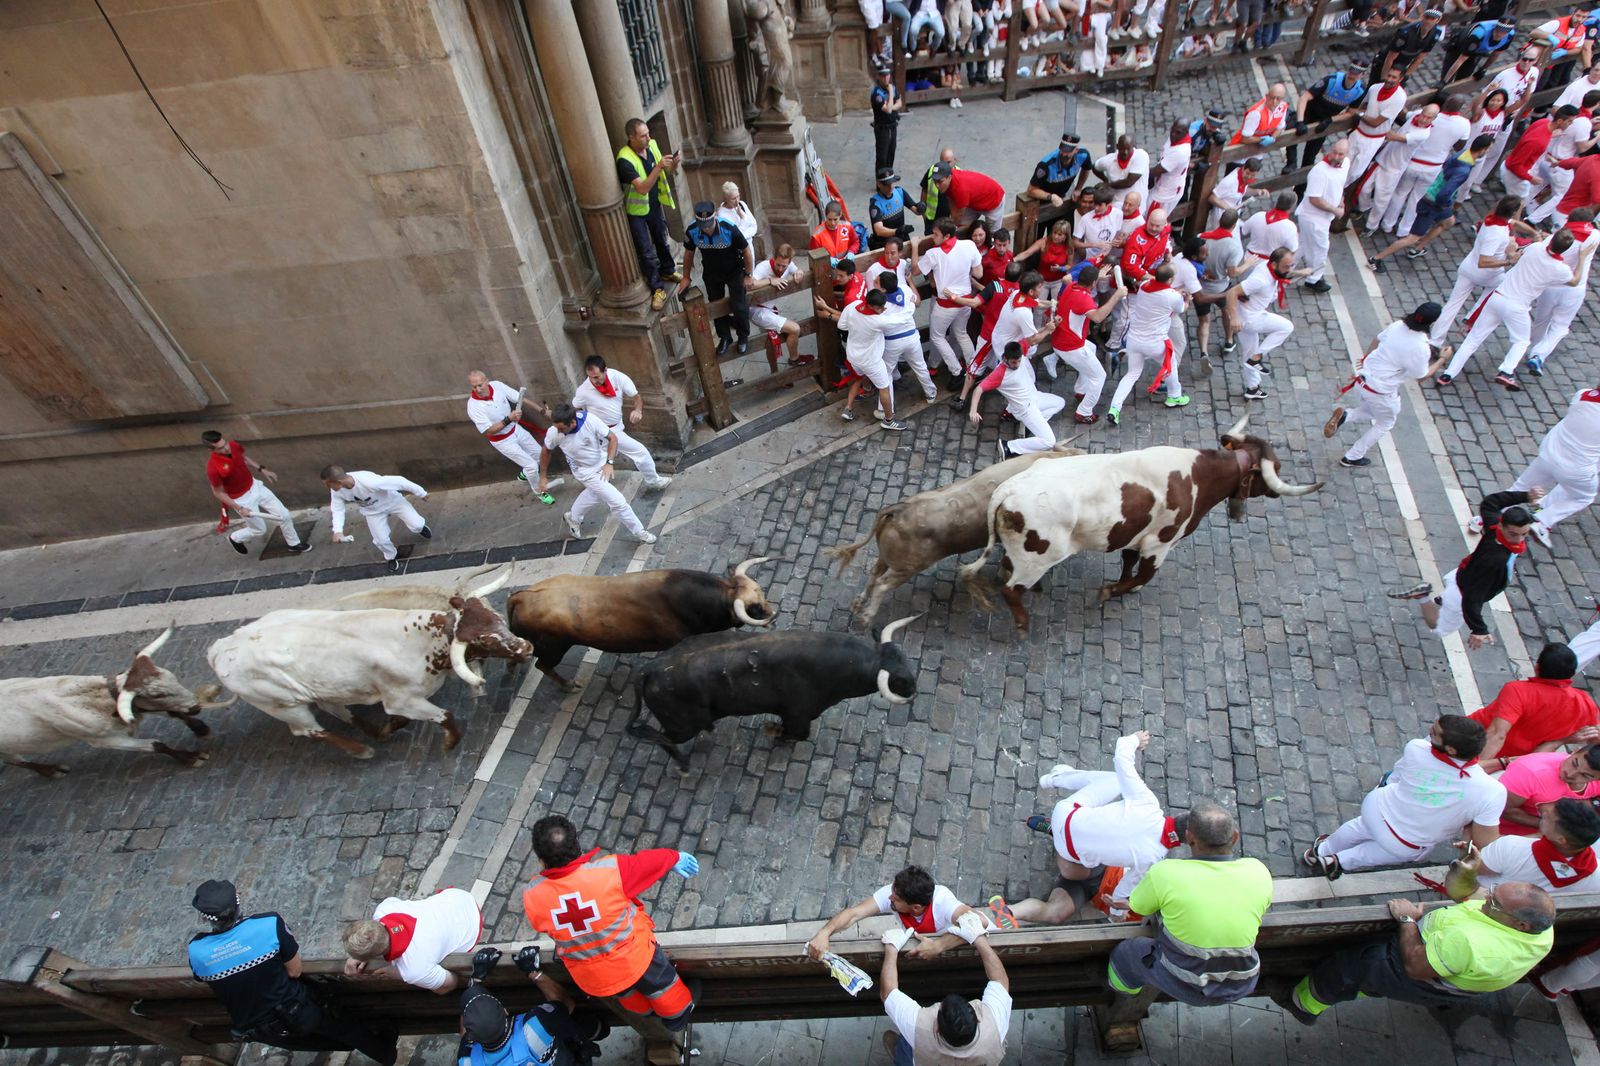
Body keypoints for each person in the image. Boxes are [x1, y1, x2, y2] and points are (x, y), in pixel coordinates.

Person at [188, 879, 397, 1065]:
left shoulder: (197, 950)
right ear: (237, 903)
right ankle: (385, 1054)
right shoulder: (268, 924)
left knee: (318, 1040)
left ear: (206, 918)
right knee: (345, 1028)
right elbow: (295, 971)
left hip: (260, 1030)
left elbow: (204, 976)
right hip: (298, 1011)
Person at [522, 815, 701, 1029]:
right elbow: (646, 863)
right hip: (635, 959)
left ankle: (645, 1011)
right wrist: (674, 857)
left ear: (541, 859)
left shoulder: (532, 895)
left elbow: (542, 924)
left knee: (625, 993)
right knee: (664, 988)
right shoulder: (609, 872)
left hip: (593, 976)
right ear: (577, 846)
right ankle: (678, 1015)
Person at [1285, 884, 1555, 1023]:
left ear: (1521, 924)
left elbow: (1415, 966)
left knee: (1352, 966)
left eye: (1494, 902)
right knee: (1367, 979)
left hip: (1418, 971)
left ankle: (1303, 1004)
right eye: (1494, 891)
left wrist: (1406, 920)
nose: (1486, 898)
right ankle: (1361, 988)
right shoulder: (1542, 932)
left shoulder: (1471, 944)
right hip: (1450, 975)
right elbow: (1467, 893)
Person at [1107, 799, 1271, 1007]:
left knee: (1125, 954)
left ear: (1189, 838)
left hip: (1189, 986)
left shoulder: (1165, 873)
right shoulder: (1258, 872)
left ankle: (1123, 990)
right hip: (1243, 982)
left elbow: (1139, 907)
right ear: (1235, 837)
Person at [1013, 730, 1185, 924]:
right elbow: (1122, 891)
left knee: (1056, 912)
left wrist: (1134, 740)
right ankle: (1057, 817)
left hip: (1086, 870)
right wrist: (1117, 911)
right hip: (1090, 861)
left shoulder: (1149, 809)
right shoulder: (1154, 861)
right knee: (1072, 868)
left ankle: (1007, 912)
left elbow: (1122, 759)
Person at [1304, 715, 1505, 879]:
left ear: (1452, 749)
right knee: (1371, 854)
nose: (1429, 730)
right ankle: (1337, 861)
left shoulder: (1416, 748)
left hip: (1377, 808)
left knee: (1358, 827)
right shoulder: (1491, 791)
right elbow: (1485, 841)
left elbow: (1397, 775)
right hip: (1406, 841)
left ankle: (1321, 850)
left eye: (1434, 732)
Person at [1389, 490, 1541, 647]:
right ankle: (1423, 597)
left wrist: (1524, 496)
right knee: (1438, 626)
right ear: (1502, 525)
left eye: (1524, 534)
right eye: (1514, 534)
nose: (1519, 539)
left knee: (1450, 595)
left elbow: (1491, 502)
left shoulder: (1494, 527)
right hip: (1461, 593)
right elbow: (1472, 598)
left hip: (1464, 574)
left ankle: (1443, 599)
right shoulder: (1495, 562)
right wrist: (1479, 629)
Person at [1435, 230, 1580, 389]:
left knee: (1473, 339)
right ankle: (1506, 371)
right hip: (1518, 306)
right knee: (1522, 341)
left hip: (1498, 297)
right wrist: (1584, 258)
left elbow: (1520, 251)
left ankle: (1448, 374)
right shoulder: (1561, 269)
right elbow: (1574, 282)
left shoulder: (1535, 248)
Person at [1323, 302, 1449, 469]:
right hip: (1381, 391)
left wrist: (1366, 359)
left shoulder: (1398, 325)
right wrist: (1442, 359)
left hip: (1362, 381)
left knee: (1373, 411)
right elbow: (1421, 375)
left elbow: (1377, 340)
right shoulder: (1421, 347)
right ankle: (1352, 456)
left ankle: (1346, 416)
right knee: (1385, 423)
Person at [455, 945, 610, 1066]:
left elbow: (465, 1039)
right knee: (576, 1022)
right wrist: (533, 972)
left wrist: (474, 982)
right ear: (504, 1010)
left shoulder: (466, 1061)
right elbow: (565, 1004)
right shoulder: (534, 1027)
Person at [878, 927, 1011, 1065]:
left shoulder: (919, 1028)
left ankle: (901, 1055)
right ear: (977, 1021)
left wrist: (891, 948)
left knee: (908, 1044)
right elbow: (1000, 980)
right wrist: (980, 940)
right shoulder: (994, 1024)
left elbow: (888, 993)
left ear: (936, 1028)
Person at [1364, 133, 1494, 273]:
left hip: (1437, 201)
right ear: (1482, 150)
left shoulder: (1463, 153)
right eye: (1488, 149)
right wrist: (1443, 204)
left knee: (1448, 222)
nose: (1488, 152)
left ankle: (1418, 248)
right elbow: (1445, 192)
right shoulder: (1463, 170)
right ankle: (1376, 259)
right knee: (1412, 237)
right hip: (1433, 203)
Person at [807, 865, 987, 961]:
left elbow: (979, 921)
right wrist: (825, 932)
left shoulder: (943, 902)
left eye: (897, 898)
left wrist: (938, 946)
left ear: (916, 907)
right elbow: (854, 913)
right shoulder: (894, 894)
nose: (890, 898)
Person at [539, 403, 658, 544]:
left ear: (572, 422)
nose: (558, 432)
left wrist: (609, 463)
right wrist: (543, 477)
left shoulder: (590, 420)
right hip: (584, 471)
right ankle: (640, 532)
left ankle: (573, 517)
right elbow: (546, 451)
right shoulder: (554, 432)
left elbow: (613, 438)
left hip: (601, 462)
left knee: (595, 493)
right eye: (556, 428)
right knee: (618, 501)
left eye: (561, 428)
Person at [1472, 644, 1600, 771]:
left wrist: (1475, 769)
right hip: (1515, 762)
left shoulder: (1517, 690)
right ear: (1572, 674)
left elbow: (1497, 734)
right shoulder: (1585, 703)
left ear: (1537, 667)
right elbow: (1596, 740)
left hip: (1473, 740)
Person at [1425, 195, 1528, 346]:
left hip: (1468, 267)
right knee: (1501, 289)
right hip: (1486, 273)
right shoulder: (1497, 233)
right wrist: (1509, 261)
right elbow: (1484, 261)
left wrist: (1532, 233)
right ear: (1512, 213)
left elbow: (1515, 223)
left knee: (1452, 305)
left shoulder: (1492, 219)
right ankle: (1471, 318)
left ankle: (1435, 341)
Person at [342, 887, 482, 993]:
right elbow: (376, 931)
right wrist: (364, 949)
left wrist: (401, 974)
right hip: (458, 897)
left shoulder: (414, 970)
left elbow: (450, 984)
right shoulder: (385, 909)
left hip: (471, 930)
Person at [1509, 380, 1600, 540]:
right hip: (1576, 470)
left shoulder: (1583, 395)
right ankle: (1543, 520)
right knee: (1583, 496)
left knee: (1520, 487)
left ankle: (1482, 520)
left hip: (1549, 455)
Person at [203, 431, 311, 558]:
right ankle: (235, 537)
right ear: (211, 449)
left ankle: (294, 544)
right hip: (242, 500)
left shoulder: (233, 445)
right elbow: (218, 492)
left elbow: (243, 458)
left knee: (284, 515)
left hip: (255, 486)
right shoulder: (213, 468)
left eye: (225, 443)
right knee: (259, 530)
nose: (226, 448)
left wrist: (262, 469)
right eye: (221, 448)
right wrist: (239, 507)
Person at [571, 356, 672, 491]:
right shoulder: (583, 390)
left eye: (596, 377)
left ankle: (652, 481)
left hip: (616, 428)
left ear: (605, 370)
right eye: (590, 377)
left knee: (639, 452)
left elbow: (636, 397)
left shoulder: (618, 378)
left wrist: (638, 410)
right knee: (595, 465)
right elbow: (576, 410)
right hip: (599, 433)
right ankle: (594, 488)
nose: (593, 381)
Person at [1041, 265, 1126, 423]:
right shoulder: (1084, 299)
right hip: (1071, 346)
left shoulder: (1071, 287)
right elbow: (1098, 317)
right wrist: (1116, 296)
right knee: (1099, 376)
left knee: (1092, 348)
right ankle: (1084, 411)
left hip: (1061, 340)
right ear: (1093, 283)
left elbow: (1068, 279)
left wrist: (1097, 276)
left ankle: (1081, 390)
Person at [1106, 262, 1188, 427]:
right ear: (1170, 279)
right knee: (1169, 364)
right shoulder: (1173, 296)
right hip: (1155, 342)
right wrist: (1187, 299)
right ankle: (1174, 395)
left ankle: (1114, 408)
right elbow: (1180, 309)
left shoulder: (1144, 286)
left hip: (1134, 340)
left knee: (1132, 374)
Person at [814, 288, 907, 430]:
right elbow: (901, 320)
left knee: (857, 378)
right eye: (879, 307)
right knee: (884, 388)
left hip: (853, 356)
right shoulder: (879, 321)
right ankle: (888, 420)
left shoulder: (853, 306)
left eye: (883, 305)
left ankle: (852, 404)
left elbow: (842, 325)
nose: (883, 309)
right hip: (871, 361)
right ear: (870, 305)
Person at [1382, 94, 1471, 238]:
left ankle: (1387, 224)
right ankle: (1404, 229)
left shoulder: (1424, 114)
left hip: (1413, 162)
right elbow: (1460, 146)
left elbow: (1405, 115)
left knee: (1400, 193)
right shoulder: (1464, 124)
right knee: (1416, 199)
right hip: (1433, 167)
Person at [616, 118, 680, 312]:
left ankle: (668, 270)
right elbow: (642, 188)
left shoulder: (652, 145)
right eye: (643, 135)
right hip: (637, 212)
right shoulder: (625, 160)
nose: (648, 138)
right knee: (646, 251)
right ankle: (657, 289)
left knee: (661, 239)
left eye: (648, 133)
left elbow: (666, 172)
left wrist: (673, 165)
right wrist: (659, 166)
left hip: (654, 205)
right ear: (631, 137)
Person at [1526, 210, 1600, 376]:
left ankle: (1534, 349)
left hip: (1551, 286)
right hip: (1574, 289)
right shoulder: (1594, 235)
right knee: (1560, 326)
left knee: (1541, 320)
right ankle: (1538, 354)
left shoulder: (1554, 239)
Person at [466, 371, 558, 502]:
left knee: (540, 455)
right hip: (502, 441)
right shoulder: (473, 406)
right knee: (531, 466)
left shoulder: (497, 386)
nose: (478, 389)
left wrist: (543, 412)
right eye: (474, 387)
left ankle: (525, 474)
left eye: (480, 385)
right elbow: (488, 431)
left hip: (516, 430)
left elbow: (521, 399)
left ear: (487, 381)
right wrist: (509, 419)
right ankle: (540, 492)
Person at [321, 466, 430, 572]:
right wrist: (338, 531)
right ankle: (391, 556)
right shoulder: (336, 491)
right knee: (381, 541)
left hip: (393, 502)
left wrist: (421, 492)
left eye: (328, 485)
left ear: (339, 482)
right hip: (372, 512)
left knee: (417, 525)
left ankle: (420, 528)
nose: (328, 488)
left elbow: (399, 481)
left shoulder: (369, 481)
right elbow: (337, 509)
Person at [1231, 246, 1305, 401]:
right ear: (1273, 264)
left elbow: (1283, 271)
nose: (1288, 269)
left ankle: (1253, 388)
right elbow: (1232, 292)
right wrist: (1234, 318)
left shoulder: (1269, 265)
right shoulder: (1261, 280)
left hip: (1245, 315)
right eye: (1286, 266)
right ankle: (1258, 357)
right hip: (1251, 319)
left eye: (1290, 266)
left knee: (1248, 353)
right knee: (1286, 327)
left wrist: (1299, 273)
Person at [970, 340, 1066, 460]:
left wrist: (1048, 328)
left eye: (1019, 361)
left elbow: (1034, 338)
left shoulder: (1021, 350)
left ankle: (1030, 427)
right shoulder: (999, 374)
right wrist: (973, 411)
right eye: (1013, 362)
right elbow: (979, 389)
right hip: (1025, 409)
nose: (1017, 364)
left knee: (1060, 403)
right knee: (1049, 441)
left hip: (1034, 397)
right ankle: (1009, 447)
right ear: (1005, 358)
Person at [917, 217, 984, 386]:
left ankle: (956, 370)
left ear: (946, 236)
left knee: (937, 336)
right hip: (966, 300)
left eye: (935, 234)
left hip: (946, 304)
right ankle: (973, 367)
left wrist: (915, 247)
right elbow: (979, 273)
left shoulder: (934, 254)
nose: (933, 237)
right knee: (961, 333)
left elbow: (916, 270)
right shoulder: (969, 245)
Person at [681, 201, 753, 356]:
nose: (706, 228)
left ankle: (743, 336)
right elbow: (688, 253)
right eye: (703, 224)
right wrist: (686, 277)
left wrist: (748, 275)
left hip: (734, 270)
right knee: (715, 306)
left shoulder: (729, 228)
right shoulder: (692, 230)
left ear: (715, 216)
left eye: (708, 223)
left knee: (739, 305)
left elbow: (746, 250)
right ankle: (725, 337)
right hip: (712, 272)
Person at [1360, 104, 1439, 228]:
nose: (1424, 119)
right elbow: (1405, 113)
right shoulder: (1416, 114)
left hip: (1394, 168)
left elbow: (1394, 137)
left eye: (1428, 118)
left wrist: (1380, 121)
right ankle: (1364, 208)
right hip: (1383, 159)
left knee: (1381, 199)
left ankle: (1371, 225)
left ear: (1433, 119)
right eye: (1423, 115)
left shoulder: (1422, 134)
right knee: (1364, 188)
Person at [1527, 94, 1600, 226]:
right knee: (1561, 196)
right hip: (1560, 164)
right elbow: (1582, 148)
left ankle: (1525, 205)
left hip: (1547, 157)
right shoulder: (1584, 123)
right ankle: (1533, 219)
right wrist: (1597, 137)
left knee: (1536, 185)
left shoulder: (1575, 114)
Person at [1495, 746, 1600, 837]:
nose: (1570, 774)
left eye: (1584, 775)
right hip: (1506, 835)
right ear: (1575, 751)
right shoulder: (1528, 772)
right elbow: (1504, 810)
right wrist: (1552, 826)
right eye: (1574, 763)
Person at [1195, 210, 1255, 360]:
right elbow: (1233, 272)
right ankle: (1229, 340)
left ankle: (1203, 352)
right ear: (1234, 226)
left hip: (1201, 287)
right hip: (1221, 286)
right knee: (1227, 312)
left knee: (1204, 320)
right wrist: (1247, 264)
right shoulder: (1234, 246)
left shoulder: (1201, 238)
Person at [1288, 60, 1366, 172]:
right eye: (1351, 70)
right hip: (1308, 113)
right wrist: (1300, 121)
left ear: (1362, 75)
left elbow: (1351, 113)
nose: (1352, 74)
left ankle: (1302, 185)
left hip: (1324, 120)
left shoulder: (1359, 91)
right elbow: (1304, 98)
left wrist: (1330, 120)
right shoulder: (1331, 80)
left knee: (1310, 155)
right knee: (1292, 133)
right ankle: (1291, 163)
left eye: (1357, 72)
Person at [747, 242, 812, 372]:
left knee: (770, 341)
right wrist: (770, 281)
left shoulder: (788, 264)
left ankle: (775, 372)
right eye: (778, 265)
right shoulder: (763, 267)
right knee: (794, 329)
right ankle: (794, 359)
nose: (781, 269)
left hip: (770, 308)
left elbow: (795, 269)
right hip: (758, 310)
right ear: (774, 258)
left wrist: (799, 271)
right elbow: (750, 284)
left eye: (784, 266)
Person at [1296, 139, 1349, 294]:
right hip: (1313, 217)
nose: (1337, 157)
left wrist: (1341, 201)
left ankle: (1285, 269)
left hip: (1323, 218)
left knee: (1304, 244)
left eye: (1341, 154)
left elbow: (1341, 185)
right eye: (1335, 152)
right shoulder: (1319, 171)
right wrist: (1335, 210)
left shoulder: (1346, 164)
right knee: (1321, 247)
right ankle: (1314, 279)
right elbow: (1315, 199)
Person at [877, 272, 936, 403]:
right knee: (920, 366)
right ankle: (931, 393)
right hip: (911, 337)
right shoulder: (905, 289)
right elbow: (917, 300)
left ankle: (885, 408)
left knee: (886, 374)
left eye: (876, 282)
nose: (874, 283)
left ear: (883, 289)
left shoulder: (880, 302)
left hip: (892, 341)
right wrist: (910, 281)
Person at [1346, 66, 1408, 190]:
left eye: (1394, 77)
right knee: (1344, 163)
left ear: (1400, 79)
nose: (1389, 79)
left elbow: (1375, 122)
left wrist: (1358, 114)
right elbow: (1363, 105)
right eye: (1389, 75)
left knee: (1355, 172)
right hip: (1359, 132)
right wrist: (1358, 115)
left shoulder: (1399, 97)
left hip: (1373, 139)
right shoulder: (1374, 88)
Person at [1501, 108, 1574, 201]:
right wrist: (1531, 178)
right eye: (1569, 121)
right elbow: (1515, 165)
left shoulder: (1543, 122)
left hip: (1512, 169)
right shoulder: (1538, 142)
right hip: (1515, 176)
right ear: (1560, 121)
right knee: (1516, 204)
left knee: (1509, 204)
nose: (1571, 124)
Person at [1374, 7, 1443, 83]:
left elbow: (1420, 58)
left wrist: (1405, 76)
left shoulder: (1436, 33)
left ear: (1438, 20)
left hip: (1403, 64)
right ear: (1422, 17)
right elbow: (1390, 58)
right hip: (1384, 62)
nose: (1428, 21)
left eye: (1432, 19)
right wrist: (1384, 79)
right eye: (1426, 17)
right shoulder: (1405, 33)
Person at [1441, 16, 1518, 82]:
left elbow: (1496, 53)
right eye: (1499, 29)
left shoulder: (1510, 35)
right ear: (1496, 27)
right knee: (1448, 73)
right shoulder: (1479, 33)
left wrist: (1483, 69)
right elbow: (1461, 59)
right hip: (1460, 46)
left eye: (1505, 32)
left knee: (1464, 76)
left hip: (1477, 51)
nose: (1500, 34)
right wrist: (1444, 81)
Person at [1027, 132, 1094, 207]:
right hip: (1042, 198)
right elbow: (1031, 190)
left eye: (1068, 150)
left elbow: (1086, 169)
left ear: (1076, 150)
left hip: (1061, 196)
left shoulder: (1083, 155)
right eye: (1062, 149)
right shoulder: (1045, 166)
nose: (1064, 154)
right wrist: (1051, 196)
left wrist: (1078, 189)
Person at [933, 161, 1006, 231]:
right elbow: (951, 202)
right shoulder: (946, 183)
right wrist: (953, 223)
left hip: (994, 201)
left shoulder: (960, 189)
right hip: (974, 201)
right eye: (935, 181)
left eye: (940, 181)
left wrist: (951, 228)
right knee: (962, 226)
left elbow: (959, 214)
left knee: (993, 235)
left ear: (949, 177)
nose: (937, 185)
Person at [1207, 156, 1268, 229]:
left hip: (1233, 216)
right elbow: (1212, 198)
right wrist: (1229, 209)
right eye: (1247, 173)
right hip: (1222, 218)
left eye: (1253, 175)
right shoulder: (1229, 182)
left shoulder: (1243, 178)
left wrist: (1257, 191)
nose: (1249, 177)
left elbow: (1242, 191)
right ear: (1243, 168)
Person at [1148, 121, 1193, 218]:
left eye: (1178, 132)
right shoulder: (1176, 138)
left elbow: (1157, 170)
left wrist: (1140, 172)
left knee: (1153, 218)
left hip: (1166, 192)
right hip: (1162, 184)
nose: (1173, 134)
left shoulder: (1180, 152)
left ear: (1186, 133)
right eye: (1172, 130)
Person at [869, 168, 923, 250]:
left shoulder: (899, 192)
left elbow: (915, 210)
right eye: (887, 184)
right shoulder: (876, 204)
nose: (891, 187)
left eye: (892, 183)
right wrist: (897, 231)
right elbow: (879, 230)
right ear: (879, 184)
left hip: (901, 239)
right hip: (885, 245)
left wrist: (921, 208)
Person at [1093, 135, 1151, 210]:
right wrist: (1105, 179)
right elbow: (1095, 167)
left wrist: (1107, 185)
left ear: (1133, 146)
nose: (1125, 152)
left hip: (1137, 207)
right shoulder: (1109, 160)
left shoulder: (1141, 156)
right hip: (1117, 206)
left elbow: (1129, 182)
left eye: (1128, 149)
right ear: (1117, 146)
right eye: (1122, 149)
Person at [1228, 84, 1290, 151]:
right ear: (1267, 96)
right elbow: (1245, 139)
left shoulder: (1282, 107)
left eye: (1278, 98)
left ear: (1282, 99)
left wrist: (1272, 138)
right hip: (1239, 150)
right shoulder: (1256, 113)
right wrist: (1262, 139)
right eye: (1272, 97)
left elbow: (1280, 127)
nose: (1274, 101)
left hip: (1257, 149)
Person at [1240, 191, 1300, 259]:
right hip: (1269, 263)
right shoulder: (1290, 227)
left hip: (1249, 259)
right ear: (1292, 207)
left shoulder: (1258, 215)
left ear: (1277, 201)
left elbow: (1244, 230)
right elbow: (1293, 248)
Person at [870, 66, 905, 175]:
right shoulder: (877, 93)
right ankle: (880, 180)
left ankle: (889, 176)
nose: (886, 78)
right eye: (883, 76)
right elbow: (887, 109)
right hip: (882, 128)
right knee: (882, 155)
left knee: (891, 152)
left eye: (887, 75)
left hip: (892, 125)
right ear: (878, 77)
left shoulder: (893, 88)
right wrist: (890, 93)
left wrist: (892, 106)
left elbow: (899, 103)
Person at [919, 146, 958, 235]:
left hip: (950, 220)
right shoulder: (932, 171)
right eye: (943, 162)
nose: (945, 165)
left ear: (955, 160)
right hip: (932, 219)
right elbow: (924, 191)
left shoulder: (960, 174)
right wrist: (924, 214)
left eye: (948, 162)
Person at [715, 182, 759, 248]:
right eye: (733, 198)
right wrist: (743, 218)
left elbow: (754, 226)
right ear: (726, 199)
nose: (737, 201)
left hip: (749, 246)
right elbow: (735, 236)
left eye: (738, 196)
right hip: (737, 250)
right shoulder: (721, 215)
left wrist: (743, 236)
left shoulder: (742, 204)